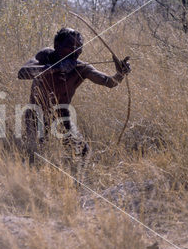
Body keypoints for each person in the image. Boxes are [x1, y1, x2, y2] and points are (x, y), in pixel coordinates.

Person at [17, 27, 131, 167]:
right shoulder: (46, 56)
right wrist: (55, 68)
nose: (76, 51)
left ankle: (75, 183)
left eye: (79, 47)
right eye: (70, 46)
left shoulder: (82, 68)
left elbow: (109, 82)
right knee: (34, 156)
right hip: (36, 114)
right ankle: (22, 181)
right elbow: (22, 73)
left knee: (82, 152)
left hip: (62, 116)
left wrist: (120, 74)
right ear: (57, 46)